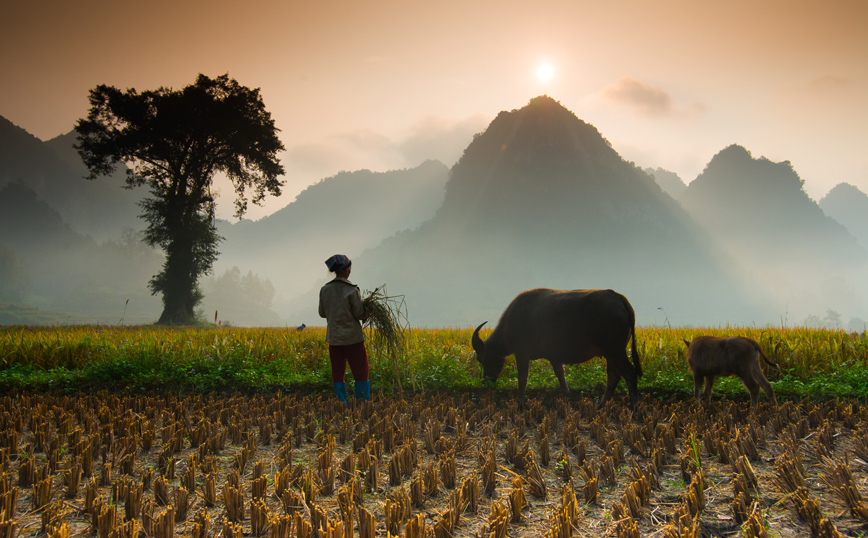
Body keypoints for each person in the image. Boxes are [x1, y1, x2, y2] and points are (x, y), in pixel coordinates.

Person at [318, 254, 371, 402]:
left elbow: (322, 313)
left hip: (334, 338)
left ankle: (341, 402)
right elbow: (360, 313)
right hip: (352, 338)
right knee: (360, 371)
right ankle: (362, 401)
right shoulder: (351, 290)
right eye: (350, 268)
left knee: (338, 371)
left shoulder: (325, 290)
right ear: (346, 270)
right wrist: (368, 313)